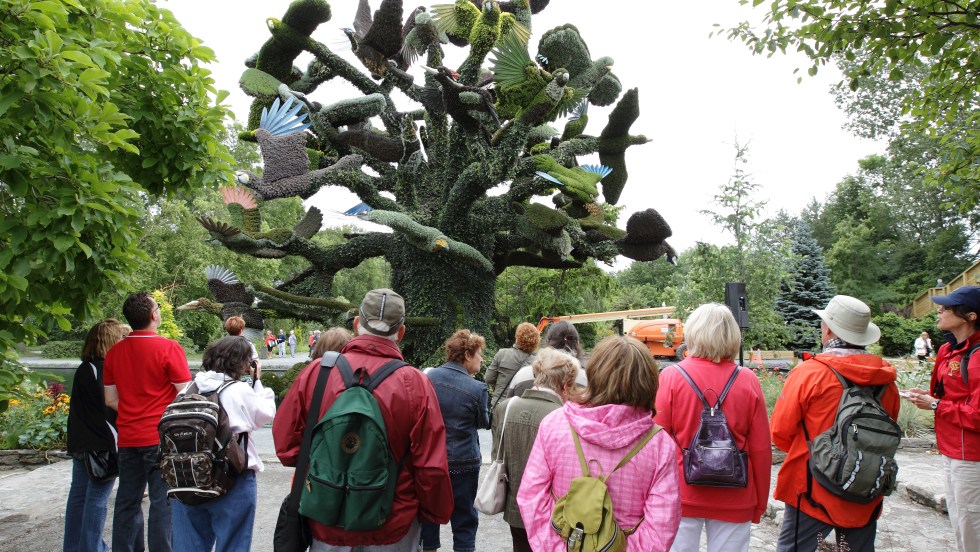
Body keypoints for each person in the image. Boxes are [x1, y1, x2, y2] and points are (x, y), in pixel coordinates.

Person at [273, 288, 453, 550]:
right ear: (401, 332)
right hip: (392, 522)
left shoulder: (318, 372)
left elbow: (286, 447)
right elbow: (431, 467)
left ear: (357, 324)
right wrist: (434, 513)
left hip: (325, 517)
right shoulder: (416, 384)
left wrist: (331, 464)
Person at [518, 335, 682, 551]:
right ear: (649, 381)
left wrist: (555, 548)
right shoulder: (660, 446)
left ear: (594, 372)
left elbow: (531, 497)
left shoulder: (554, 424)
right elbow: (662, 525)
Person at [771, 294, 900, 552]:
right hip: (864, 483)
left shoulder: (811, 373)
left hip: (811, 486)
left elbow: (780, 432)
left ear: (828, 329)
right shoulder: (885, 380)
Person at [654, 303, 772, 552]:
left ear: (693, 333)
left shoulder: (671, 377)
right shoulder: (748, 380)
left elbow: (656, 441)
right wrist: (760, 501)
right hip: (736, 494)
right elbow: (761, 448)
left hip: (681, 492)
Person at [104, 291, 193, 552]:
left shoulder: (114, 353)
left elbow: (110, 399)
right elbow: (186, 394)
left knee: (127, 500)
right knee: (162, 501)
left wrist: (133, 408)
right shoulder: (168, 348)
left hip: (128, 436)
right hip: (160, 437)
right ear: (154, 315)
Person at [170, 335, 276, 551]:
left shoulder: (189, 389)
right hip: (232, 476)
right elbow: (265, 414)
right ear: (244, 363)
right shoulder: (239, 390)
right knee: (233, 544)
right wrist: (257, 381)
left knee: (188, 545)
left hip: (187, 476)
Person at [906, 286, 980, 552]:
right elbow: (945, 395)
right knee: (960, 519)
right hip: (950, 449)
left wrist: (936, 404)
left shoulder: (977, 356)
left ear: (970, 315)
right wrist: (926, 397)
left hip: (971, 455)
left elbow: (977, 415)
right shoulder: (949, 350)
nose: (938, 310)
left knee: (972, 522)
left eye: (946, 307)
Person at [491, 347, 580, 552]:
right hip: (555, 513)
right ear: (566, 384)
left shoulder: (505, 408)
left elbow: (497, 456)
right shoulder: (565, 416)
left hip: (515, 509)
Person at [421, 329, 491, 552]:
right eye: (479, 354)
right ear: (467, 355)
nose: (482, 359)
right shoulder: (477, 388)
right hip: (464, 462)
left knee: (428, 515)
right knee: (464, 520)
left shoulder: (428, 378)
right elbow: (483, 422)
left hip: (431, 460)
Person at [64, 319, 125, 552]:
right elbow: (110, 406)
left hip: (81, 442)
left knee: (78, 498)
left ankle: (74, 547)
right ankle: (92, 547)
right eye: (120, 338)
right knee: (97, 500)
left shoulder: (85, 368)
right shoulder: (103, 369)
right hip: (101, 444)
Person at [505, 320, 586, 399]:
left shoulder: (522, 375)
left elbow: (509, 404)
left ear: (547, 341)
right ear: (577, 344)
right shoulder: (585, 379)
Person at [485, 322, 539, 412]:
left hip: (499, 405)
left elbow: (488, 378)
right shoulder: (537, 362)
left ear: (517, 337)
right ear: (536, 341)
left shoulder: (502, 354)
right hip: (520, 409)